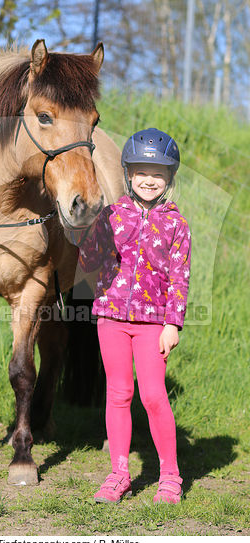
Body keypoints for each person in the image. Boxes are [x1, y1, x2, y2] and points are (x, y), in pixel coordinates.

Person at [76, 128, 191, 504]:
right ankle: (119, 473)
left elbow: (179, 277)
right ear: (128, 173)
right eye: (141, 171)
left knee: (155, 395)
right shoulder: (111, 215)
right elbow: (88, 262)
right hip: (111, 317)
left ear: (169, 178)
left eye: (157, 173)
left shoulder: (177, 225)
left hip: (152, 325)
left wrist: (173, 323)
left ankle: (170, 476)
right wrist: (91, 228)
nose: (148, 179)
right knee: (119, 393)